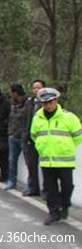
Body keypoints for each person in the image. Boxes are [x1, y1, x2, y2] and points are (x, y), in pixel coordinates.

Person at [31, 87, 82, 225]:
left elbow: (78, 136)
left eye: (50, 102)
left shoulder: (69, 117)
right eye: (44, 103)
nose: (47, 105)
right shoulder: (37, 118)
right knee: (50, 188)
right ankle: (53, 212)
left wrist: (65, 147)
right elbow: (34, 136)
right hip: (47, 160)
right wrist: (43, 148)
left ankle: (65, 206)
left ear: (56, 101)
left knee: (67, 186)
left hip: (64, 160)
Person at [5, 84, 33, 190]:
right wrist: (10, 132)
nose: (10, 94)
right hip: (13, 135)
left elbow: (29, 119)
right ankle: (11, 180)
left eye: (11, 92)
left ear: (16, 93)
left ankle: (30, 184)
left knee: (28, 162)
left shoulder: (28, 103)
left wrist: (27, 134)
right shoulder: (12, 103)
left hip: (23, 136)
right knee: (12, 160)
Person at [23, 79, 45, 197]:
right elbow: (26, 119)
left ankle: (46, 190)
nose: (36, 90)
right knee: (31, 165)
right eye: (34, 88)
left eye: (38, 87)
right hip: (31, 138)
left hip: (44, 138)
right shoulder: (29, 102)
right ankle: (33, 187)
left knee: (46, 166)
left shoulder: (48, 102)